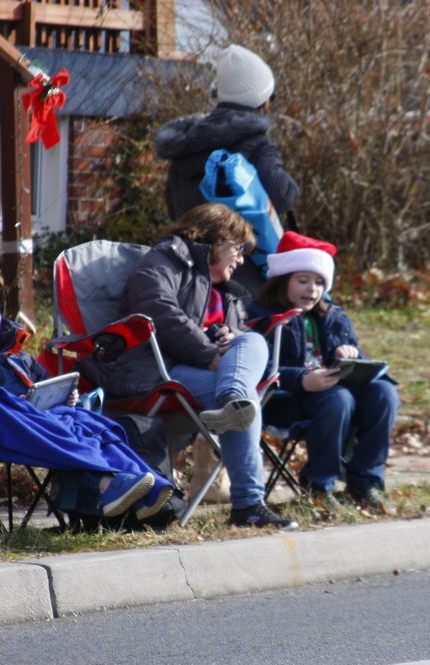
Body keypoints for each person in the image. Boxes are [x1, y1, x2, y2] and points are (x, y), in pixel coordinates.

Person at [0, 290, 173, 544]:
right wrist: (12, 402)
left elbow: (45, 386)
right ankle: (107, 482)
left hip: (41, 415)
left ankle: (143, 488)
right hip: (4, 424)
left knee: (90, 424)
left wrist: (65, 395)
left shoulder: (17, 358)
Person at [119, 203, 298, 529]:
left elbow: (235, 339)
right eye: (238, 249)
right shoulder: (164, 261)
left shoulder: (226, 291)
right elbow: (158, 310)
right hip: (159, 367)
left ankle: (233, 398)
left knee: (252, 343)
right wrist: (207, 352)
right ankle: (248, 506)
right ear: (217, 238)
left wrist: (228, 336)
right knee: (245, 399)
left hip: (208, 369)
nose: (242, 260)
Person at [247, 232, 400, 516]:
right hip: (282, 400)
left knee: (384, 393)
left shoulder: (333, 315)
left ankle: (366, 482)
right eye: (303, 280)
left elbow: (355, 357)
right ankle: (319, 486)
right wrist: (301, 380)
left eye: (319, 282)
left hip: (333, 391)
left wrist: (350, 355)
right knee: (337, 398)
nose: (312, 289)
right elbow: (256, 368)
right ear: (282, 280)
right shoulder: (260, 315)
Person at [155, 44, 300, 294]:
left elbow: (173, 205)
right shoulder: (257, 144)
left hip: (188, 270)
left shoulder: (186, 144)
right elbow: (284, 196)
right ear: (262, 99)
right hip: (244, 271)